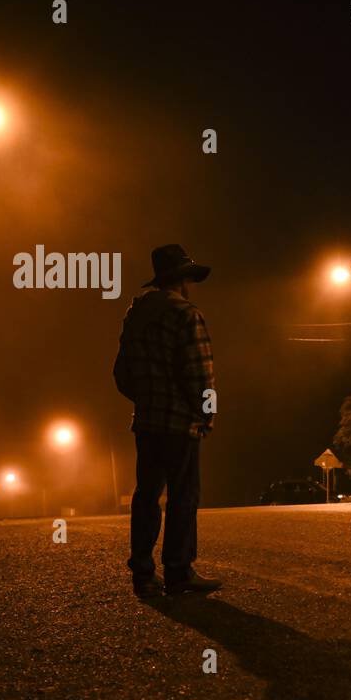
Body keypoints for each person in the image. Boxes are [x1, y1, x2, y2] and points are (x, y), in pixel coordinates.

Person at [113, 244, 223, 597]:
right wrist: (207, 413)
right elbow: (200, 373)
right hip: (180, 423)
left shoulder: (135, 315)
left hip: (146, 423)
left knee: (146, 496)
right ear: (183, 279)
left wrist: (147, 399)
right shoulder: (186, 313)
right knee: (183, 496)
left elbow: (121, 373)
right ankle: (178, 571)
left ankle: (143, 574)